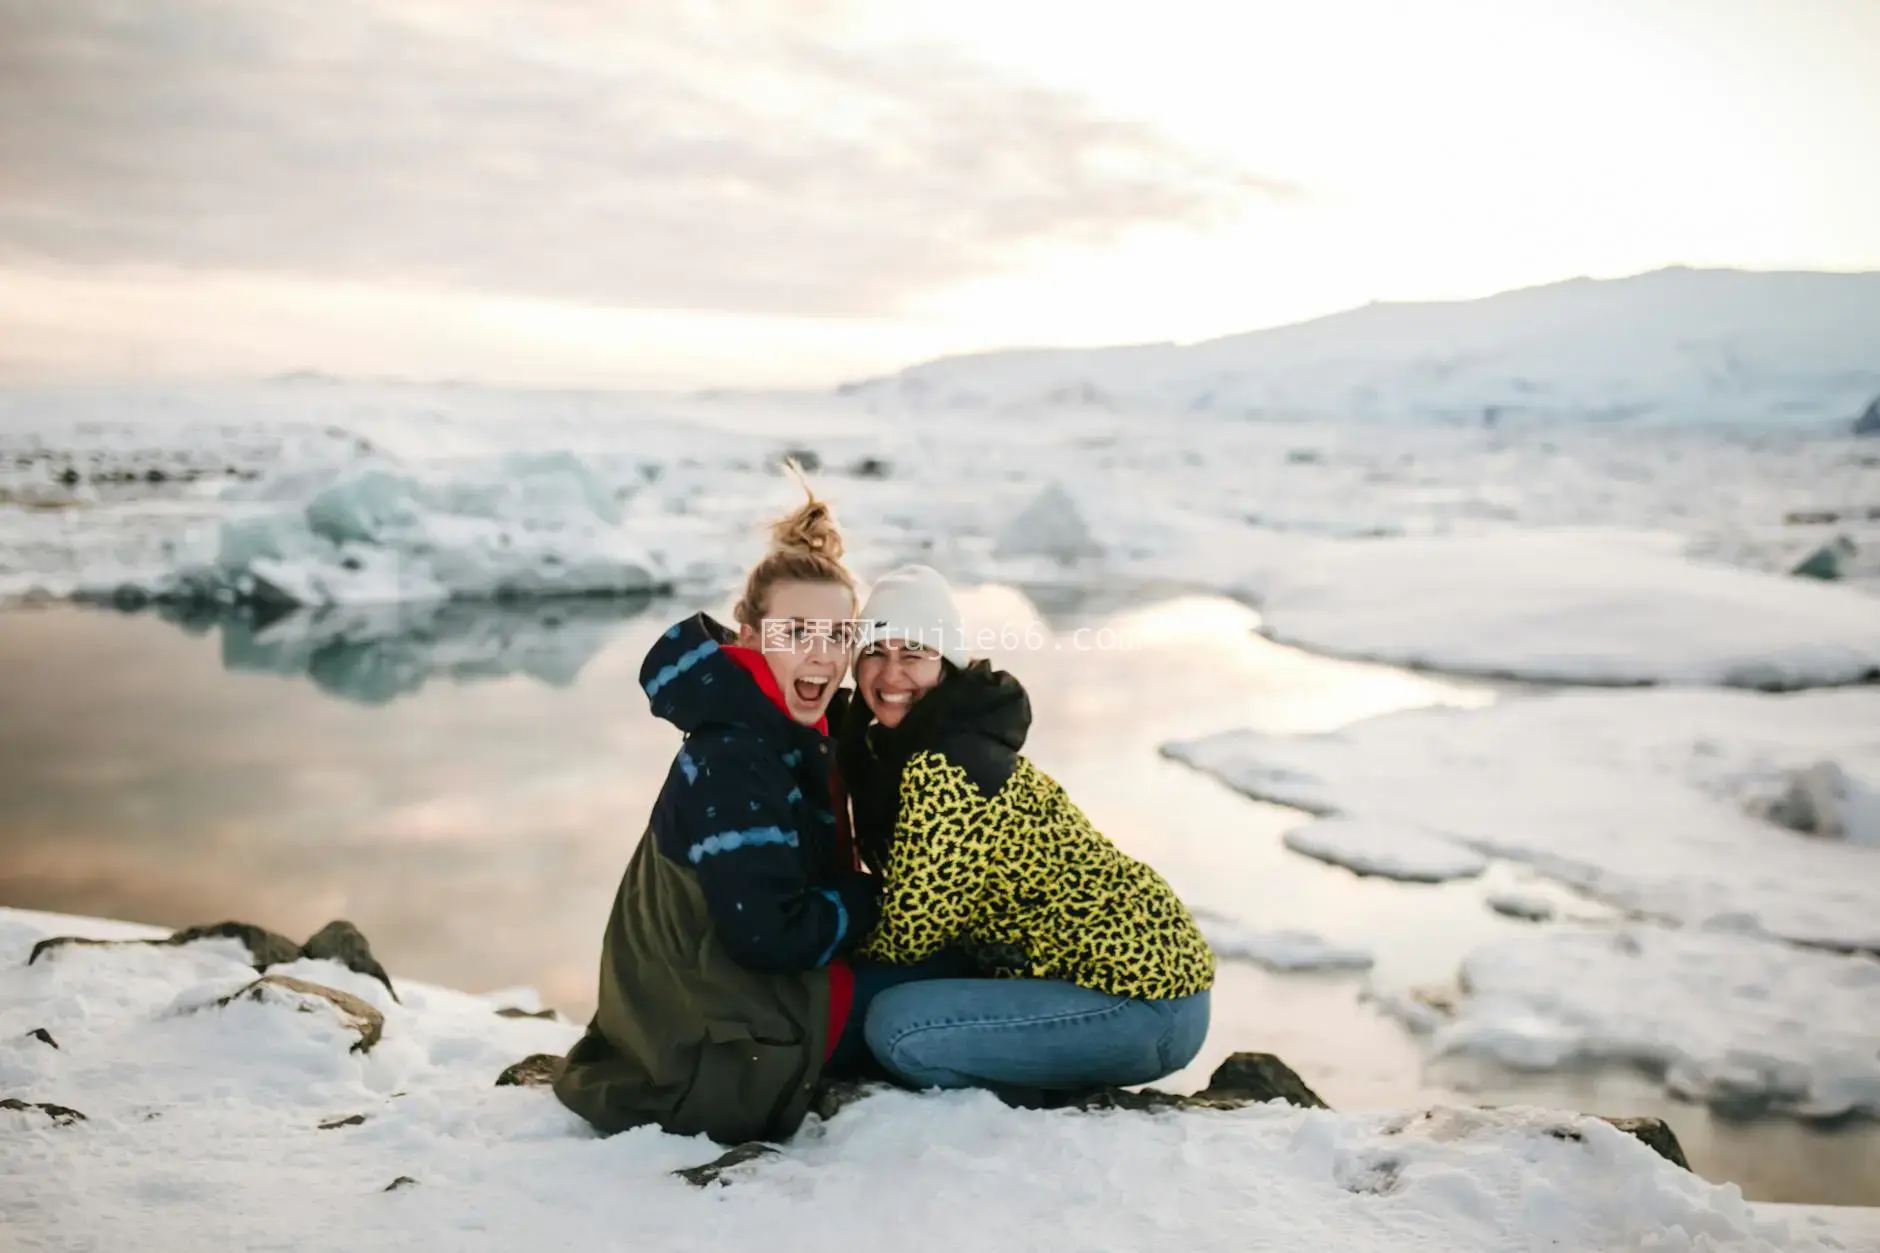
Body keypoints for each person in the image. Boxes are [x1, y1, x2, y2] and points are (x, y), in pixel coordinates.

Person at [552, 479, 883, 1145]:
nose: (823, 655)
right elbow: (767, 934)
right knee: (944, 989)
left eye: (840, 635)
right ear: (750, 630)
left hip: (721, 1008)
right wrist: (876, 899)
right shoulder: (736, 756)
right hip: (715, 1049)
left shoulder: (786, 730)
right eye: (797, 632)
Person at [837, 564, 1215, 1098]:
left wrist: (828, 962)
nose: (891, 674)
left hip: (1141, 1002)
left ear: (946, 663)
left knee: (897, 1028)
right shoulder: (920, 738)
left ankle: (1032, 1105)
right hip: (1101, 983)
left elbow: (913, 930)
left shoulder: (945, 764)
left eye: (914, 653)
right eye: (875, 652)